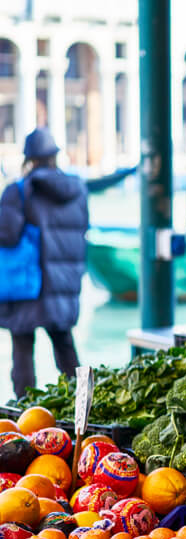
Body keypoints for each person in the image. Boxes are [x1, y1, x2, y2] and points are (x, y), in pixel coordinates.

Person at [0, 128, 88, 397]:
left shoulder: (20, 190)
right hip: (63, 284)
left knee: (23, 350)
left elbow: (6, 234)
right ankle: (83, 408)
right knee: (65, 347)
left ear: (29, 158)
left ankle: (27, 417)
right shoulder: (78, 189)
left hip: (28, 285)